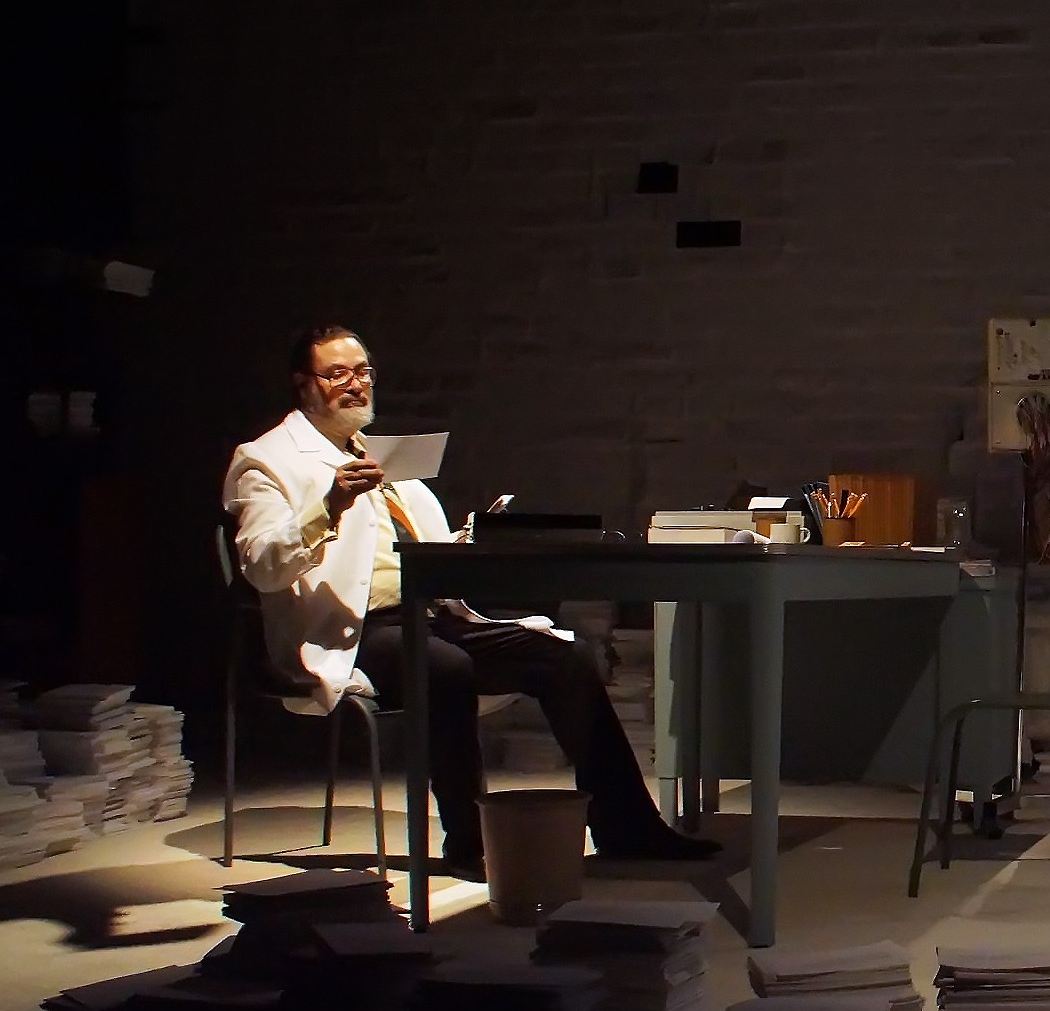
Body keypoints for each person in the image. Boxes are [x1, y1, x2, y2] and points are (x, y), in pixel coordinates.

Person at [223, 325, 718, 871]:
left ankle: (629, 829)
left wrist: (461, 543)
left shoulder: (382, 456)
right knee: (446, 667)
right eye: (337, 374)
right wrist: (328, 507)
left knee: (565, 658)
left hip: (432, 613)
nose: (355, 384)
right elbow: (261, 565)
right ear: (303, 383)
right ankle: (470, 842)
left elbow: (407, 546)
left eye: (363, 372)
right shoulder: (267, 459)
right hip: (354, 628)